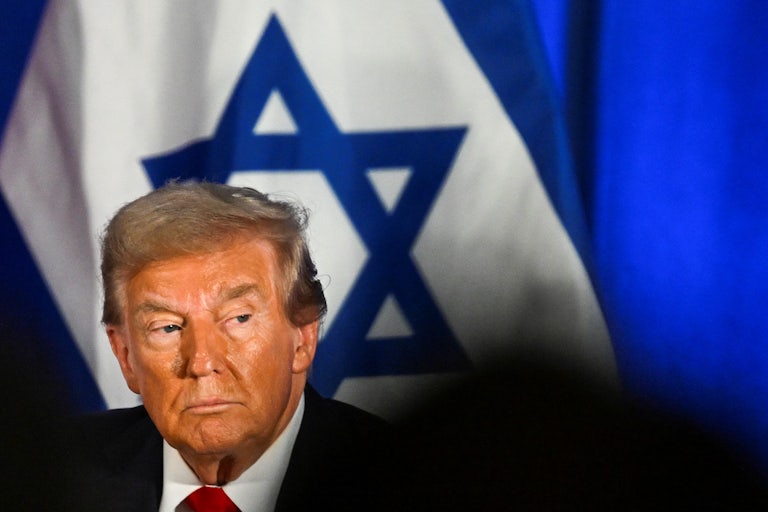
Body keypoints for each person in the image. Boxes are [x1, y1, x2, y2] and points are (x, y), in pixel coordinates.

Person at [65, 182, 392, 511]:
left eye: (238, 318)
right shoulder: (46, 474)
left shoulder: (410, 485)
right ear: (125, 356)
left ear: (303, 337)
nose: (202, 363)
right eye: (167, 327)